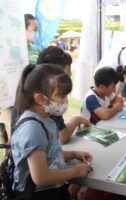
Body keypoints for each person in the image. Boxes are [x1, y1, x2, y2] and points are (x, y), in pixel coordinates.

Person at [11, 64, 93, 199]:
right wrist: (76, 171)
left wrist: (73, 154)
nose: (66, 101)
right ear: (41, 99)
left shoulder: (45, 118)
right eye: (61, 96)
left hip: (54, 189)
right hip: (40, 194)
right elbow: (41, 177)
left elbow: (49, 154)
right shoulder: (32, 129)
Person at [11, 46, 90, 145]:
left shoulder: (31, 83)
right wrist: (76, 120)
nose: (67, 80)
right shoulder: (43, 109)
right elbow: (60, 137)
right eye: (64, 77)